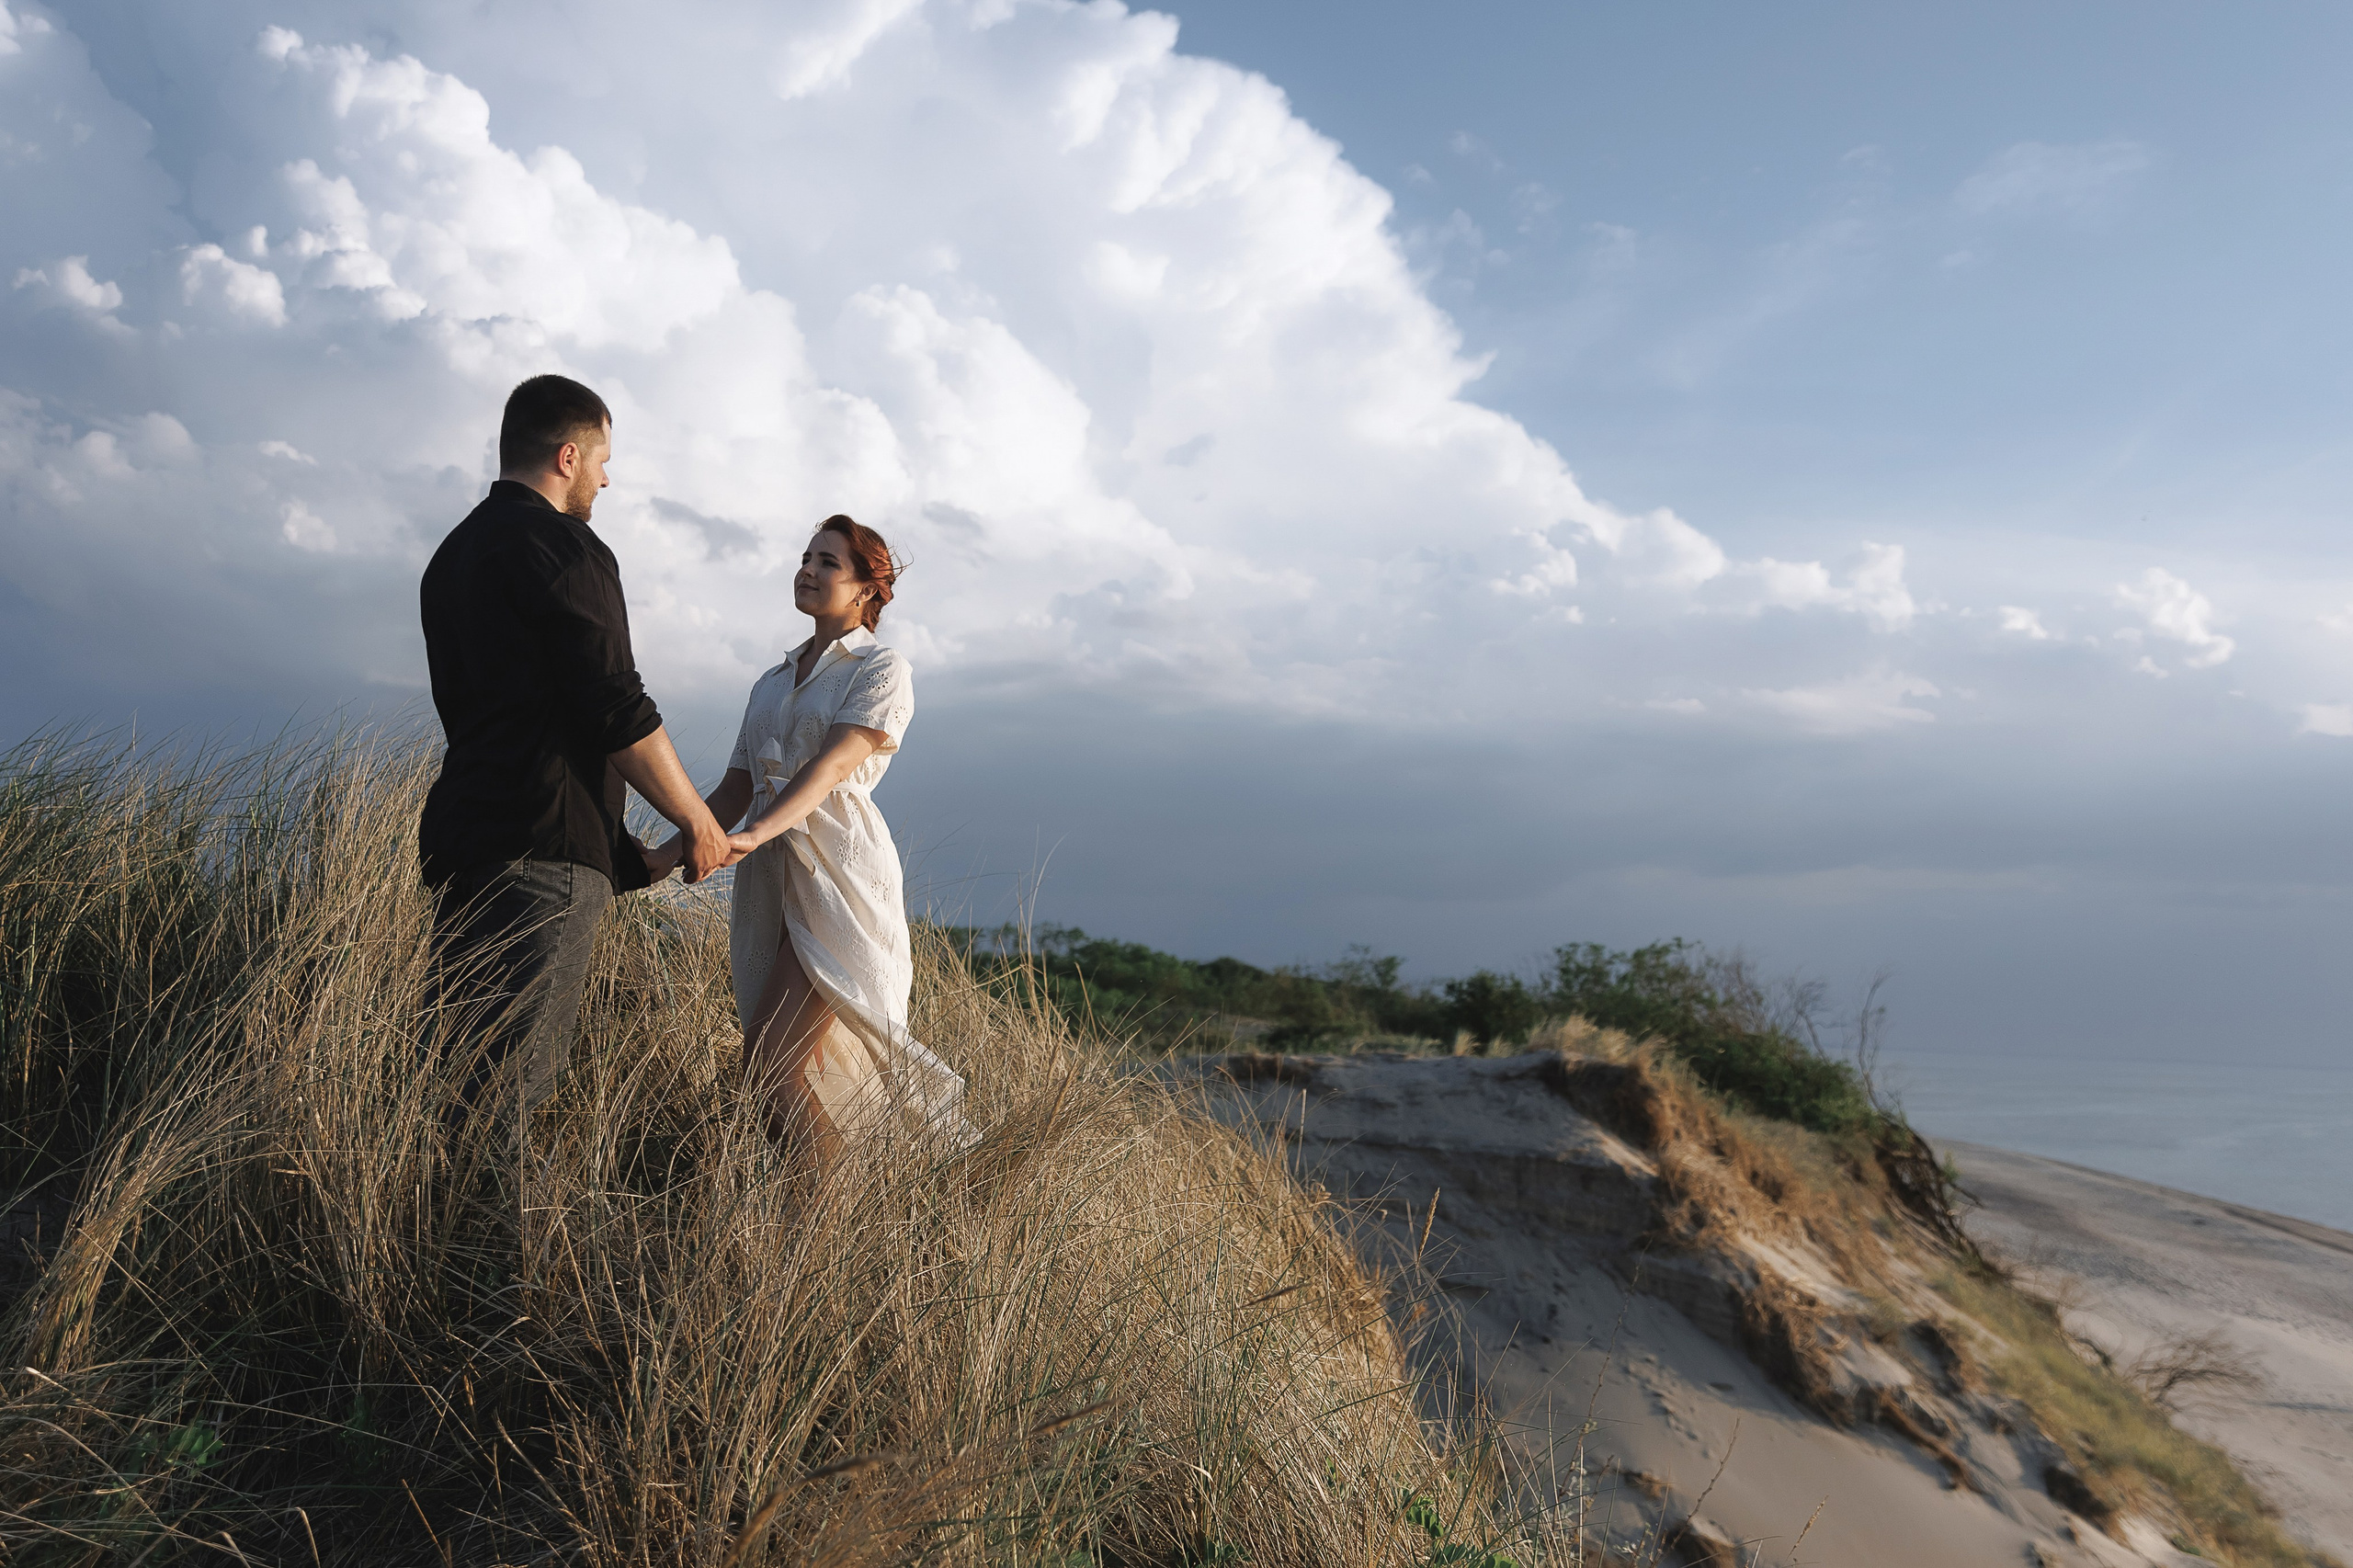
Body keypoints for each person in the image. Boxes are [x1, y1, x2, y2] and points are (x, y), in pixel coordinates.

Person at [419, 373, 735, 1115]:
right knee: (507, 1100)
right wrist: (697, 821)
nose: (605, 477)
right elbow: (613, 706)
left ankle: (424, 1229)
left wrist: (638, 857)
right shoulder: (567, 547)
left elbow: (523, 715)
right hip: (540, 855)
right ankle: (489, 1238)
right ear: (567, 457)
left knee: (457, 1089)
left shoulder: (452, 558)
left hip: (465, 841)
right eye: (601, 460)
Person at [650, 516, 970, 1153]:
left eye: (828, 562)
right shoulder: (770, 682)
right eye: (805, 556)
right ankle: (827, 1227)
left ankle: (814, 1234)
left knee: (768, 1070)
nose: (808, 569)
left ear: (866, 590)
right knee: (785, 1075)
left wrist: (753, 834)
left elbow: (832, 768)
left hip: (838, 876)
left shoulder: (880, 668)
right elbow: (736, 787)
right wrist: (662, 855)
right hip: (769, 877)